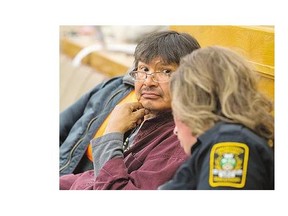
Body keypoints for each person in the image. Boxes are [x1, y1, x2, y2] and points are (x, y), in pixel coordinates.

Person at [59, 30, 201, 189]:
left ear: (190, 79)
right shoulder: (116, 90)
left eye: (166, 71)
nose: (148, 82)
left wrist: (112, 133)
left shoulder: (180, 139)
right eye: (144, 70)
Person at [159, 46, 274, 190]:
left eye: (176, 111)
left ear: (192, 105)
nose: (175, 130)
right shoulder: (223, 142)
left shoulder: (230, 143)